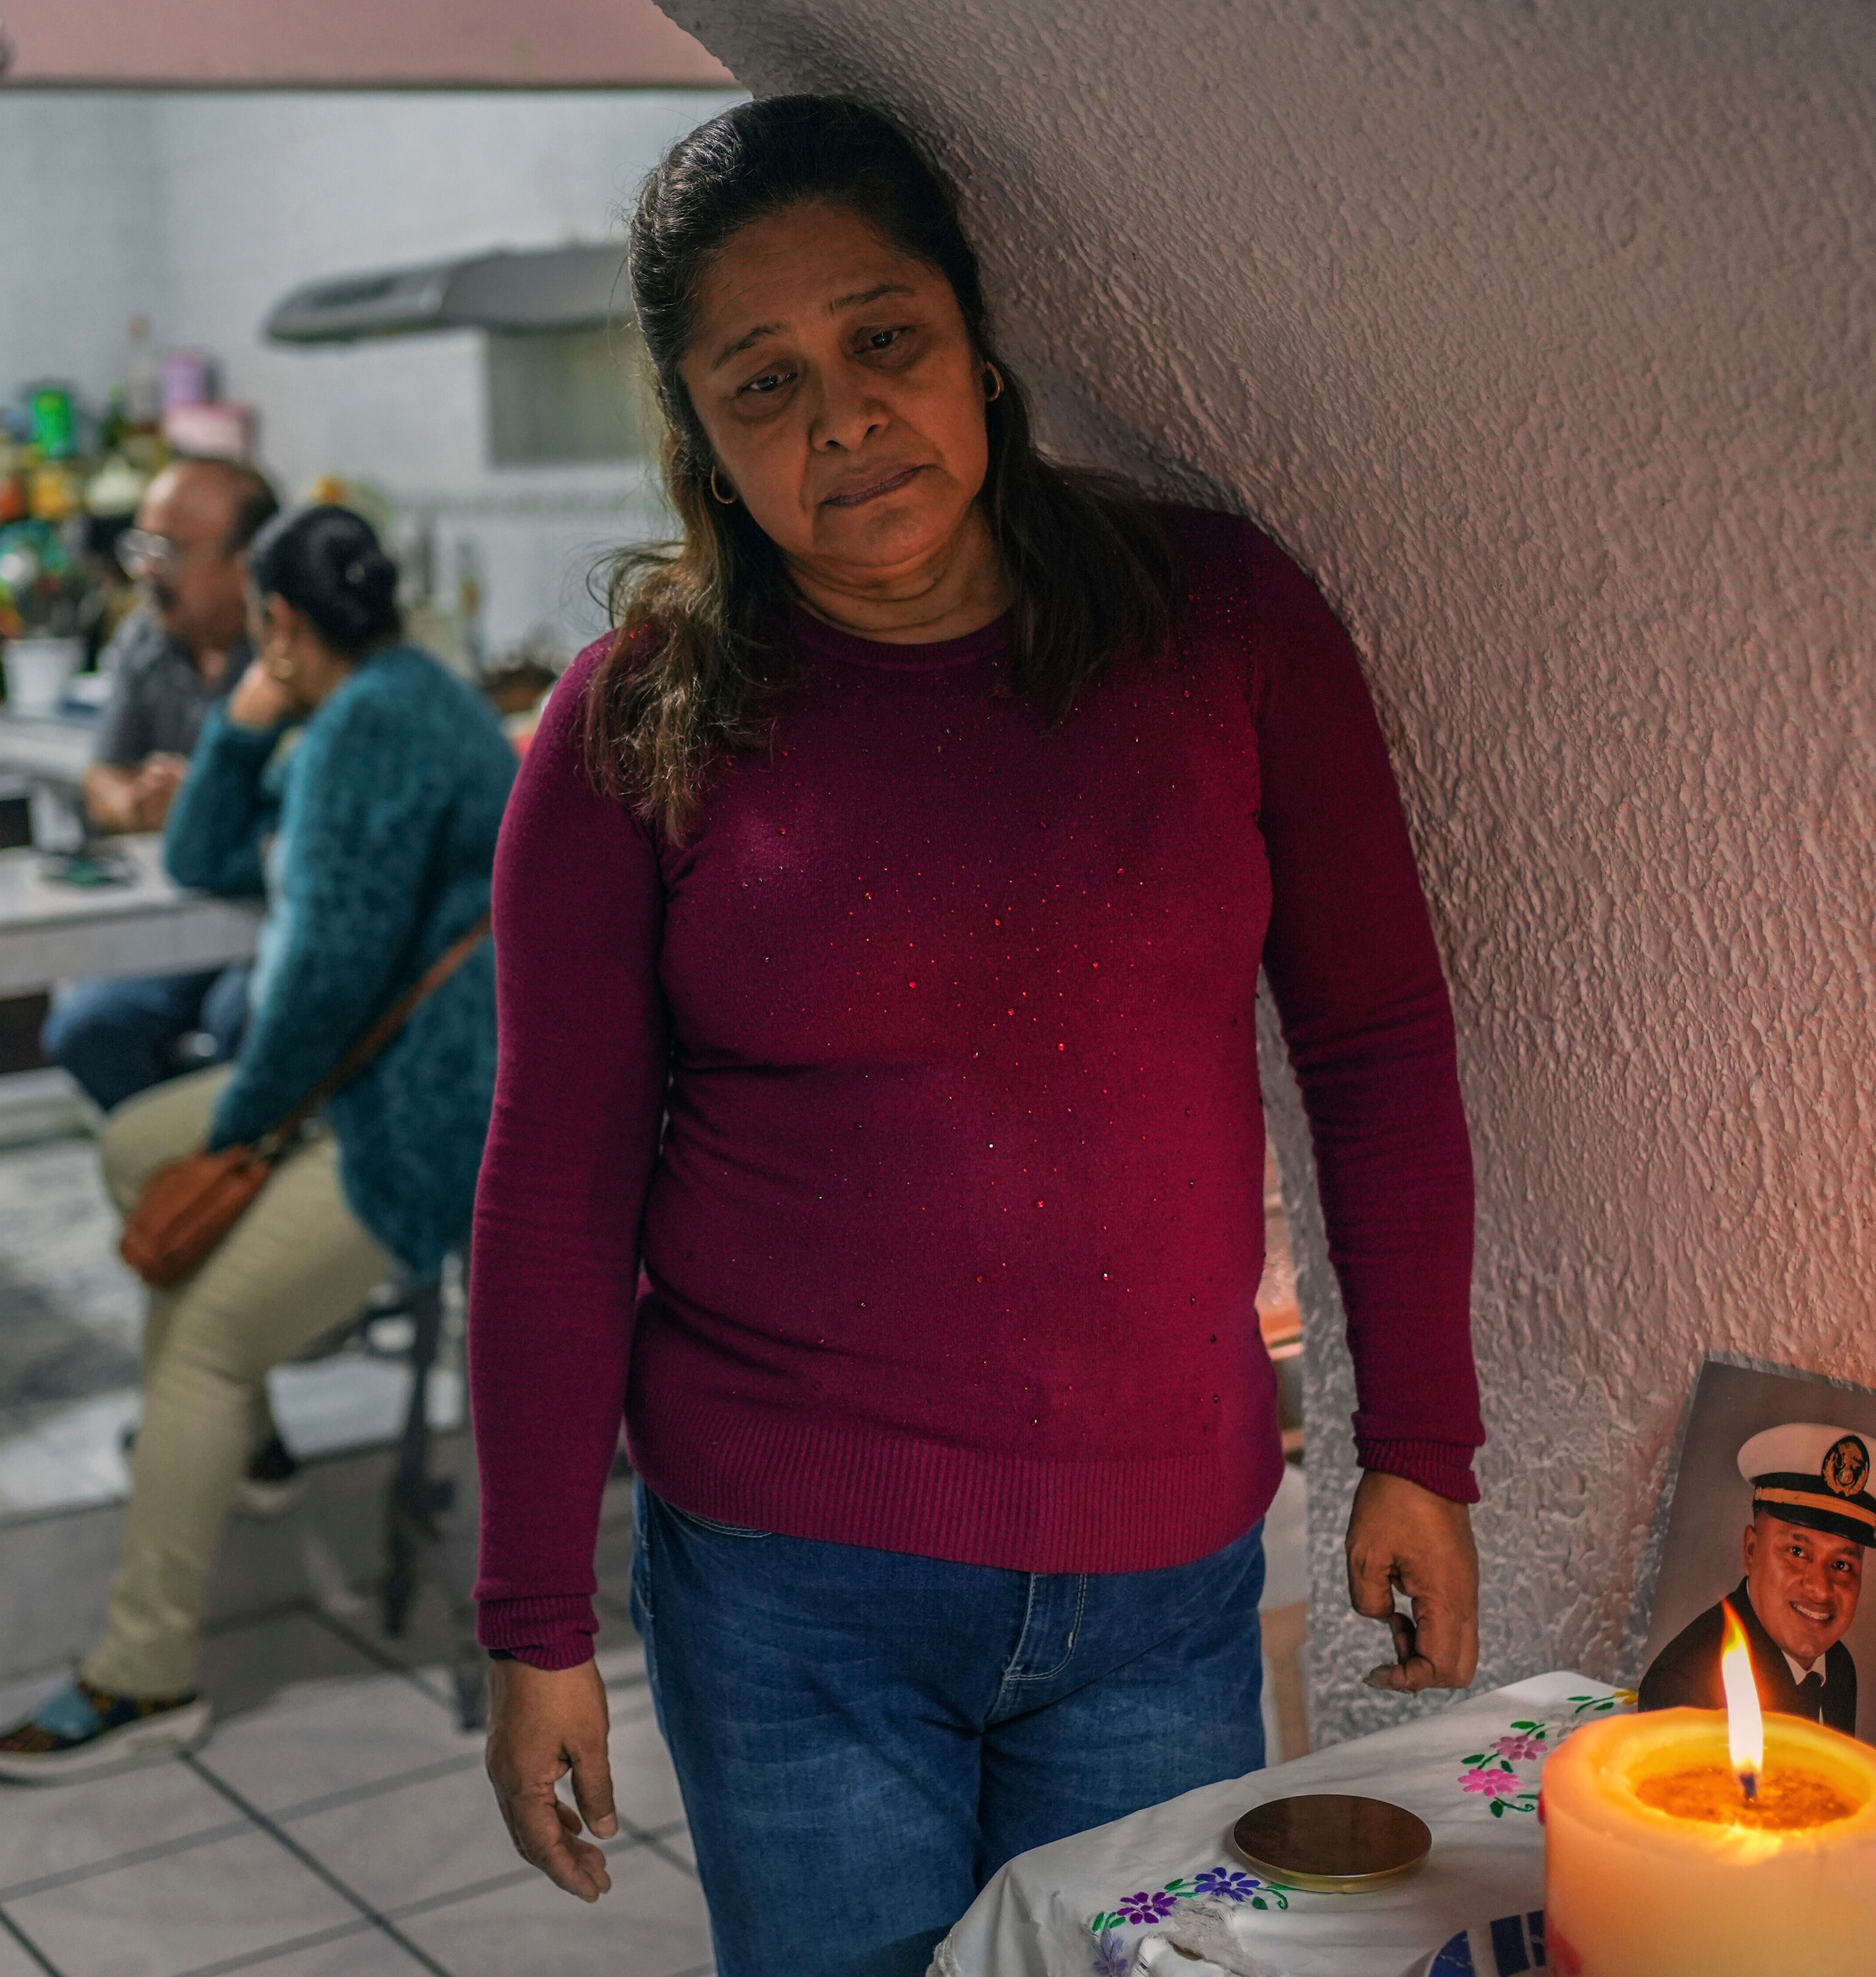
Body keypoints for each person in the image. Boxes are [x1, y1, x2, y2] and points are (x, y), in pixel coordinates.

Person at [466, 97, 1484, 1976]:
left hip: (1160, 1579)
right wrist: (533, 1622)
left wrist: (1416, 1440)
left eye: (882, 340)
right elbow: (552, 1189)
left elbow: (1377, 1044)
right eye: (759, 384)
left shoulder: (1224, 624)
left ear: (975, 344)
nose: (841, 416)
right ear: (698, 435)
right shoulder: (634, 727)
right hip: (789, 1589)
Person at [0, 505, 515, 1778]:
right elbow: (202, 848)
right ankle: (255, 1439)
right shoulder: (388, 697)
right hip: (364, 1086)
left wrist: (235, 1133)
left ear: (280, 621)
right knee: (134, 1152)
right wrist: (242, 722)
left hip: (426, 1124)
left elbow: (322, 983)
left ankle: (142, 1673)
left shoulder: (375, 730)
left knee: (199, 1342)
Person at [42, 456, 282, 1113]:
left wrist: (205, 808)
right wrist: (131, 804)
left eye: (170, 551)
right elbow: (102, 775)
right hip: (174, 914)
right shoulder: (145, 640)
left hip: (273, 915)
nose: (147, 569)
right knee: (87, 1028)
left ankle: (239, 1179)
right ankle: (181, 1185)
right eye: (141, 546)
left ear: (246, 562)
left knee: (247, 1021)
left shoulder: (292, 648)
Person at [1637, 1422, 1876, 1734]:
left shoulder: (1838, 1668)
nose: (1820, 1588)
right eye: (1797, 1551)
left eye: (1842, 1565)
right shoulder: (1683, 1690)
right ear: (1751, 1550)